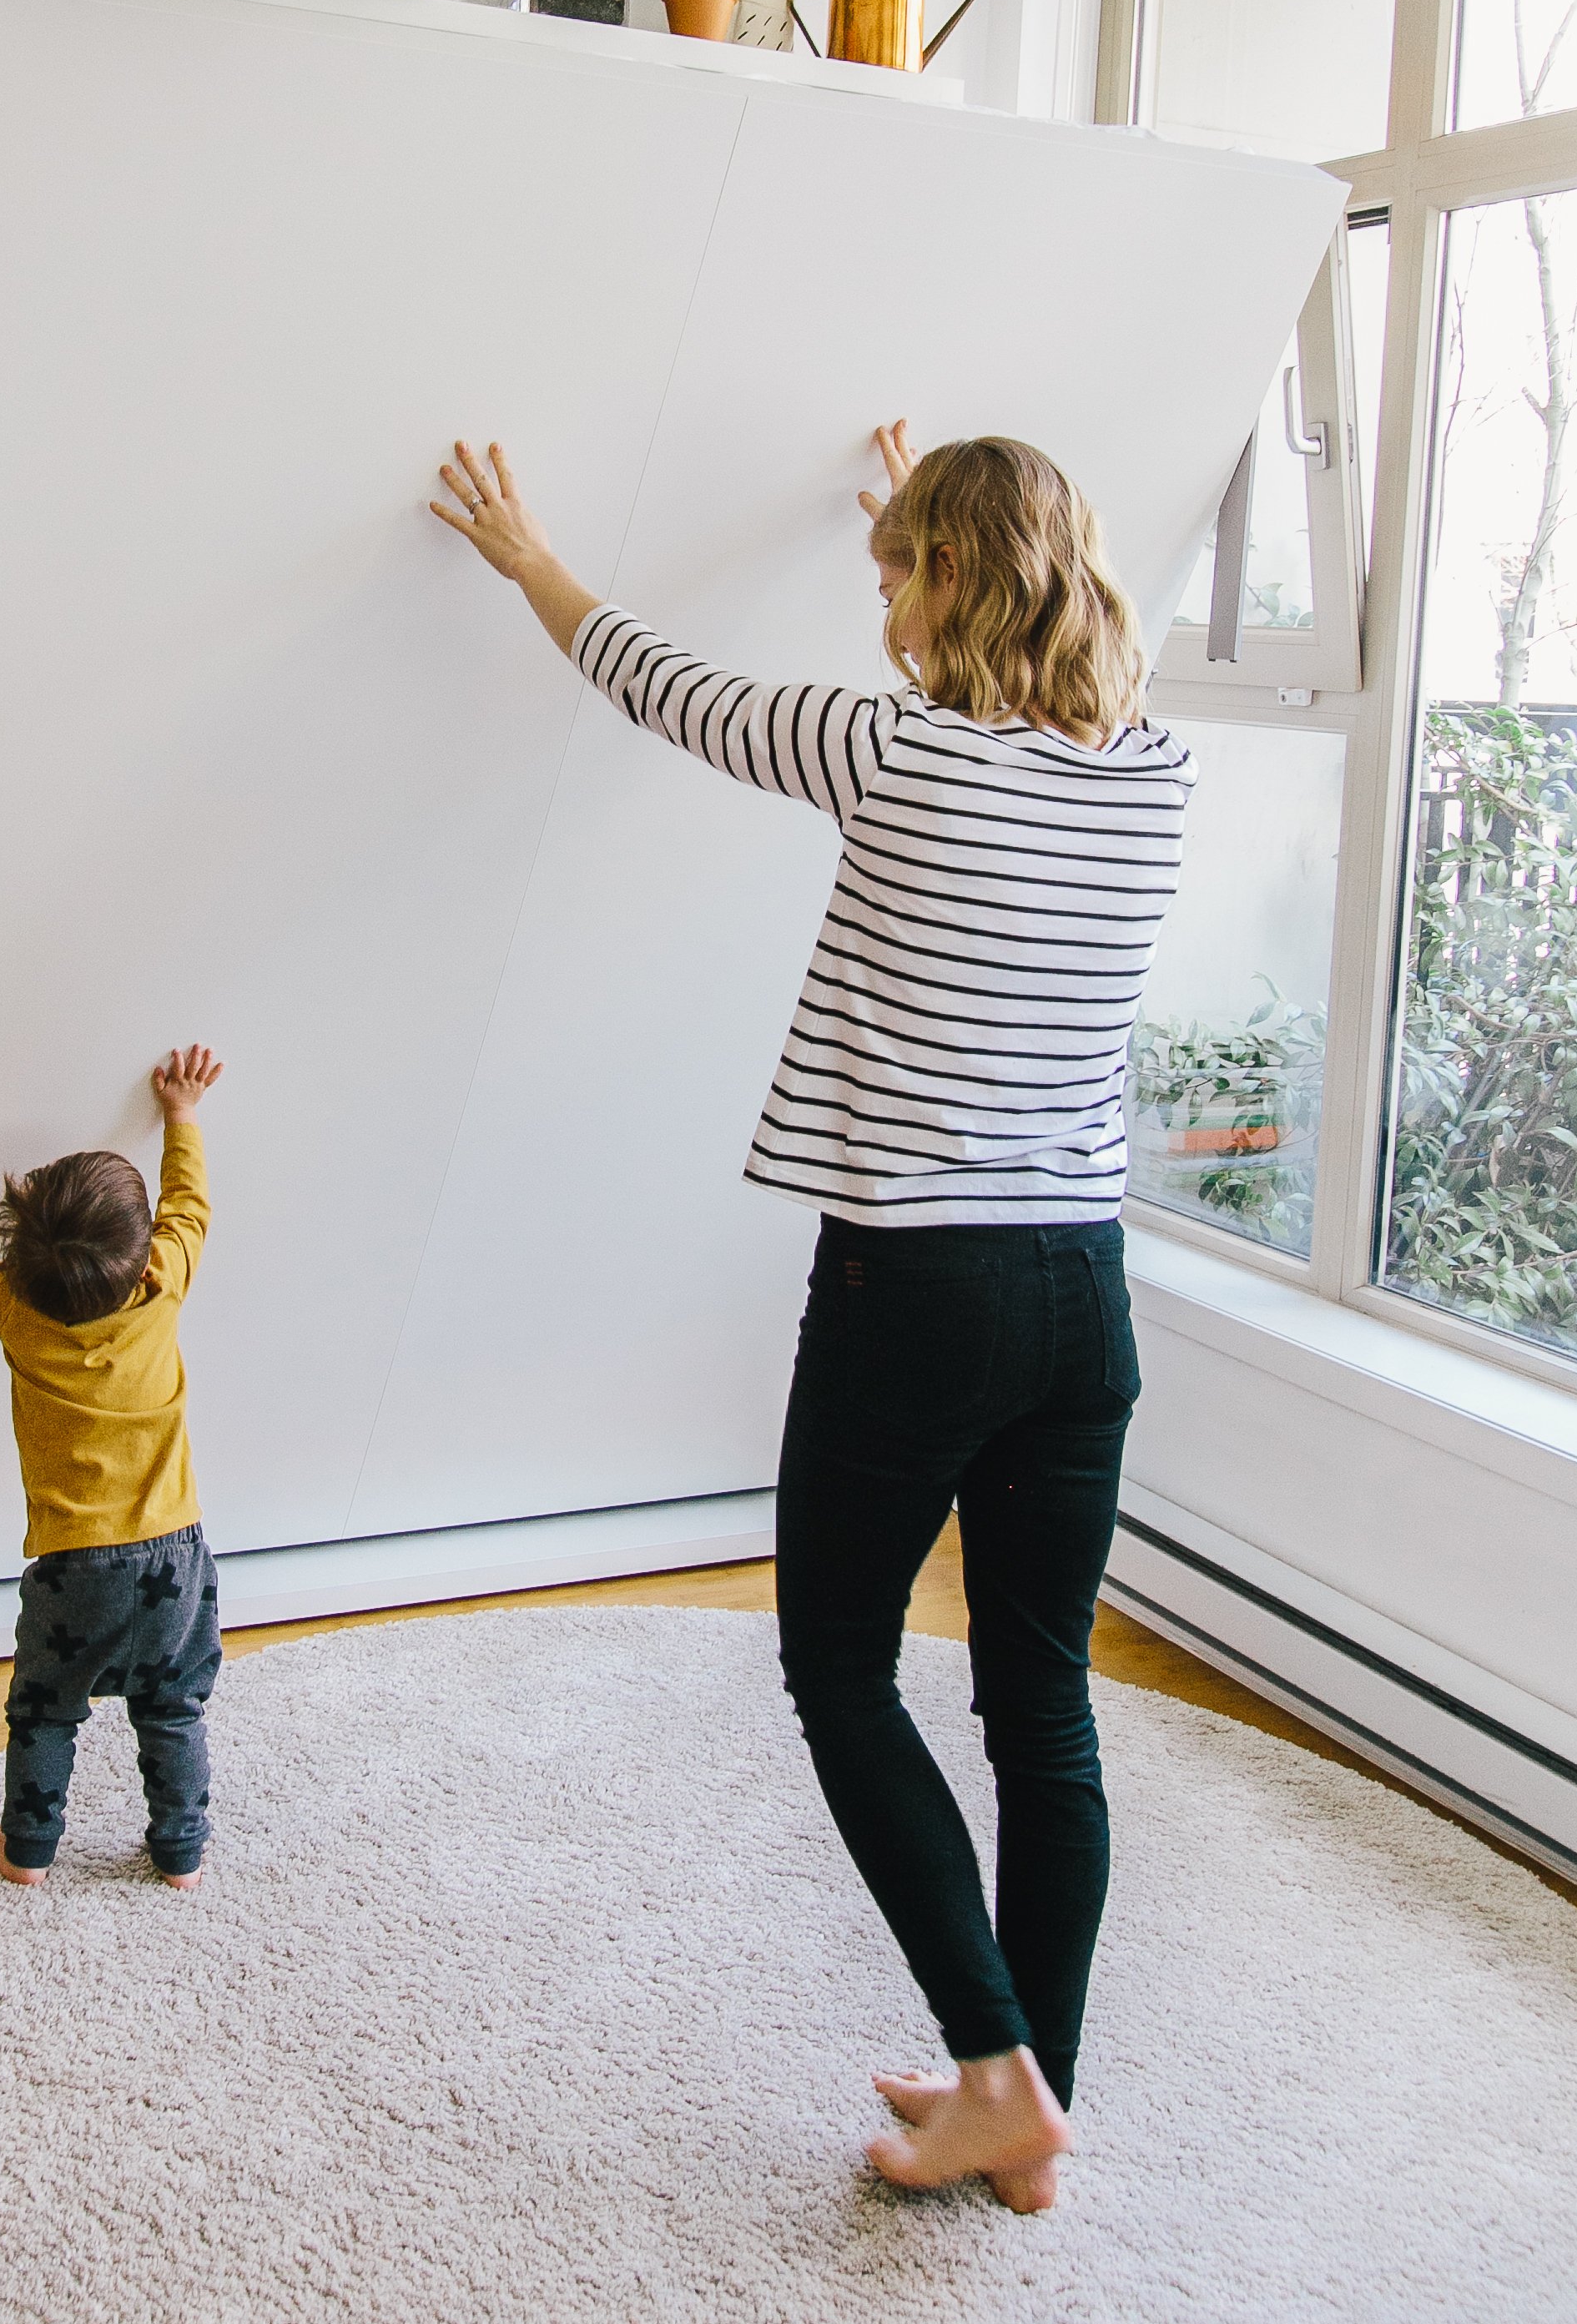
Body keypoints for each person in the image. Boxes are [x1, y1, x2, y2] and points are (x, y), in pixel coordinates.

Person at [430, 426, 1191, 2213]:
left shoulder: (890, 750)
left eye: (894, 577)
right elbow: (1023, 652)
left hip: (913, 1291)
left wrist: (528, 555)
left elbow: (659, 683)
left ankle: (995, 2075)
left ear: (946, 582)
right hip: (1080, 1295)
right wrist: (947, 528)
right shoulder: (1152, 772)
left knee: (838, 1664)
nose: (876, 612)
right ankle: (1030, 2119)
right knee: (1041, 1714)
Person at [0, 1043, 227, 1891]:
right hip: (176, 1558)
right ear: (144, 1257)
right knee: (172, 1709)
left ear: (20, 1266)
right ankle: (179, 1856)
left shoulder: (13, 1310)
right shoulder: (163, 1285)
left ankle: (27, 1851)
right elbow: (190, 1204)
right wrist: (180, 1117)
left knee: (46, 1711)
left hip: (75, 1570)